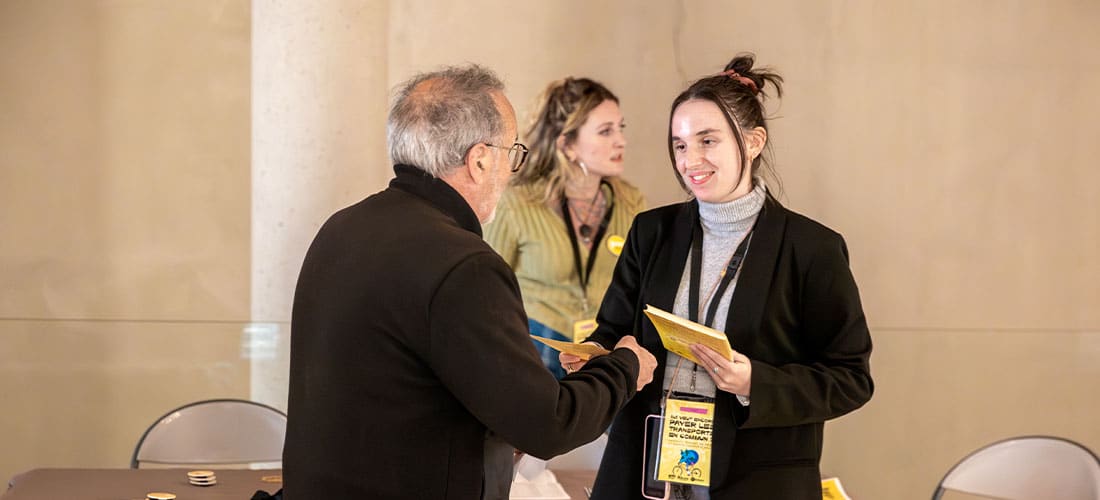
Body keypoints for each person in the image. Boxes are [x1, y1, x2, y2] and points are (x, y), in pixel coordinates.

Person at [282, 65, 658, 500]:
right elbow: (548, 426)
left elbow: (402, 386)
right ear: (480, 159)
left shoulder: (342, 228)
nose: (511, 171)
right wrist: (624, 367)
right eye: (512, 153)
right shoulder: (464, 265)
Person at [562, 54, 874, 499]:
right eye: (681, 144)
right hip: (645, 468)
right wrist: (597, 354)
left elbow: (851, 379)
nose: (692, 160)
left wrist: (754, 383)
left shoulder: (812, 249)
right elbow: (614, 332)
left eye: (708, 141)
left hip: (757, 477)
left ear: (753, 142)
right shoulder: (651, 232)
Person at [485, 77, 646, 379]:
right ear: (568, 145)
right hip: (533, 358)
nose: (621, 141)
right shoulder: (516, 205)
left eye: (620, 128)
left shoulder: (632, 204)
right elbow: (487, 298)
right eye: (605, 131)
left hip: (601, 357)